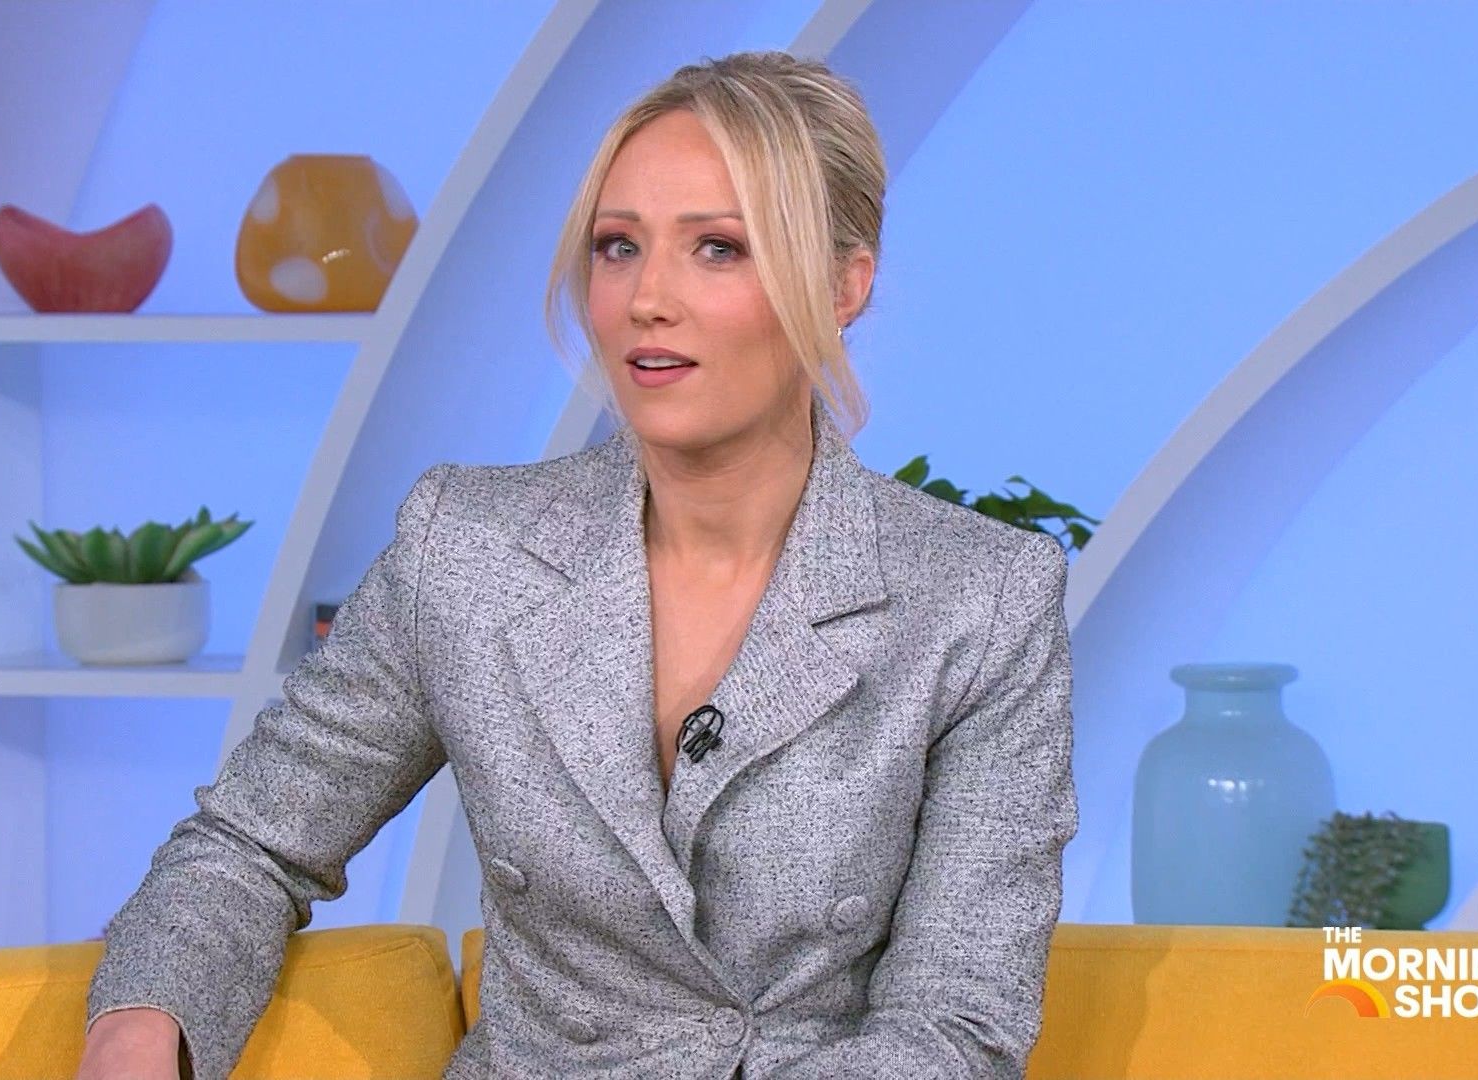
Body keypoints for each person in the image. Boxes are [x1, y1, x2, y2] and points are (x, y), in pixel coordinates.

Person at [77, 49, 1077, 1080]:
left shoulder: (980, 599)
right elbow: (249, 844)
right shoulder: (466, 550)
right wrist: (138, 1033)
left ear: (842, 286)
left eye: (719, 249)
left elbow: (955, 1023)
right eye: (617, 247)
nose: (647, 299)